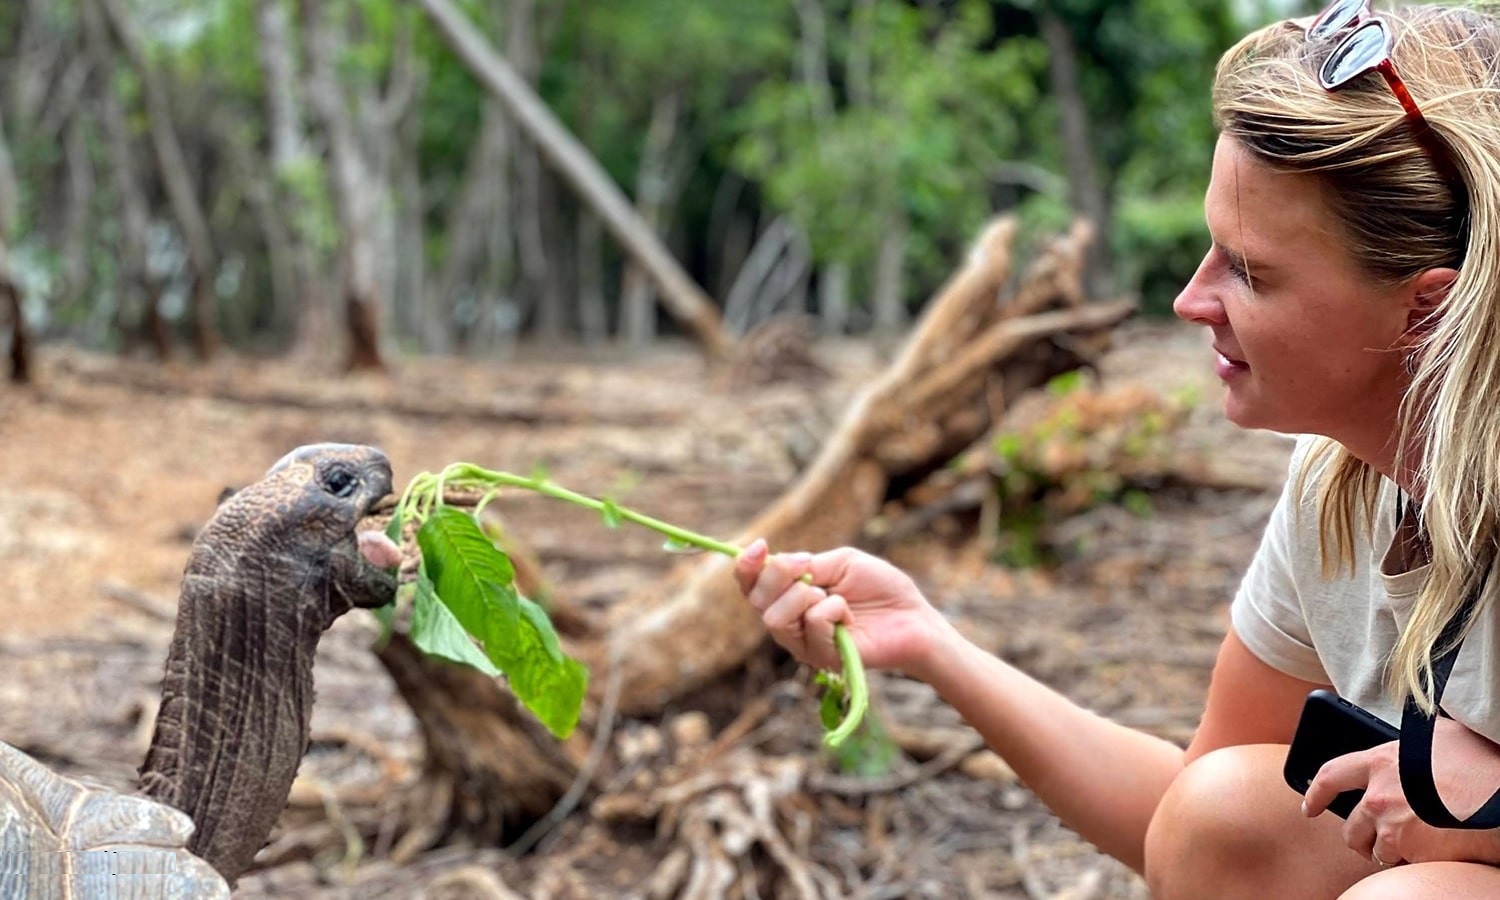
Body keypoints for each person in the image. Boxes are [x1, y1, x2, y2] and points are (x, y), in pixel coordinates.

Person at [733, 3, 1500, 897]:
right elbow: (1183, 831)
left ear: (1428, 308)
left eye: (1249, 272)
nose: (1190, 299)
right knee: (1225, 821)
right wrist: (930, 645)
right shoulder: (1340, 488)